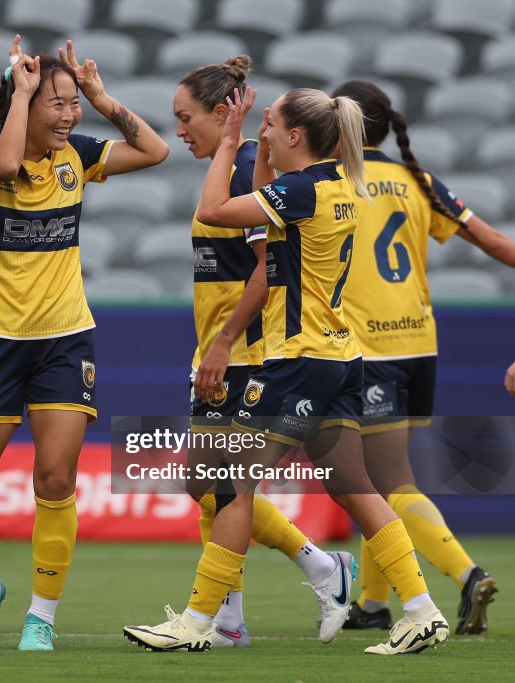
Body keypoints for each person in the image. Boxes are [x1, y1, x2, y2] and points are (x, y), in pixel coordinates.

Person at [124, 86, 449, 655]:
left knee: (230, 484)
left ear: (295, 135)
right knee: (353, 486)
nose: (261, 136)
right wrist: (259, 158)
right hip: (342, 356)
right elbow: (263, 211)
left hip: (300, 360)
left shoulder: (301, 191)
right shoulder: (334, 184)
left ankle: (200, 622)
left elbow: (213, 211)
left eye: (269, 126)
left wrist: (227, 143)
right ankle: (421, 610)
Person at [0, 36, 169, 651]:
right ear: (22, 101)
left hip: (65, 340)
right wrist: (20, 93)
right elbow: (6, 165)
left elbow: (155, 149)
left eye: (73, 104)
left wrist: (103, 99)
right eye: (59, 103)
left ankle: (41, 616)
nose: (69, 115)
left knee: (54, 480)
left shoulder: (80, 154)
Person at [173, 56, 357, 648]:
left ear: (222, 114)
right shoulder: (243, 166)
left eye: (186, 118)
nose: (181, 131)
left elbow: (266, 271)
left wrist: (226, 343)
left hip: (254, 352)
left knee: (227, 481)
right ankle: (320, 567)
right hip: (222, 348)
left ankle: (224, 620)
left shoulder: (255, 168)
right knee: (204, 480)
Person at [330, 79, 515, 635]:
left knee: (387, 483)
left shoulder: (333, 181)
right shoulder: (417, 179)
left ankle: (466, 575)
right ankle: (370, 602)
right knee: (372, 479)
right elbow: (489, 240)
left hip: (367, 351)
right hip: (419, 345)